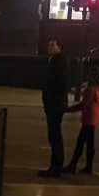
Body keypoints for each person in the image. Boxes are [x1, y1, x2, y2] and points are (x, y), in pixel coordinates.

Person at [64, 65, 99, 174]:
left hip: (89, 119)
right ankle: (88, 166)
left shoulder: (91, 90)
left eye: (89, 75)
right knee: (89, 143)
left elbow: (83, 105)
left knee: (81, 142)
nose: (88, 77)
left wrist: (67, 110)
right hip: (94, 119)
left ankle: (74, 165)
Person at [39, 39, 69, 177]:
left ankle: (56, 166)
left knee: (54, 135)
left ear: (59, 47)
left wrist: (53, 99)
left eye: (53, 45)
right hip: (53, 103)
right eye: (49, 45)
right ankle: (55, 166)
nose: (49, 47)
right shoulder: (53, 60)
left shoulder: (60, 61)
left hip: (55, 104)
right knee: (53, 135)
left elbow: (60, 83)